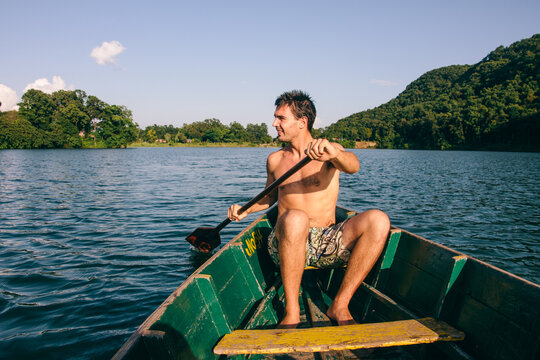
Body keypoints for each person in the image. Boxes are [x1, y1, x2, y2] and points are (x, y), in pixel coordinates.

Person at [228, 90, 390, 327]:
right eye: (275, 117)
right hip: (285, 242)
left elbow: (352, 166)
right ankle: (292, 312)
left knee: (379, 220)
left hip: (326, 242)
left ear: (302, 122)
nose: (274, 123)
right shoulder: (274, 160)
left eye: (281, 118)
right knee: (295, 218)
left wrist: (335, 153)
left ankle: (340, 304)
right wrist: (245, 209)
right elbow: (269, 197)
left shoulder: (328, 151)